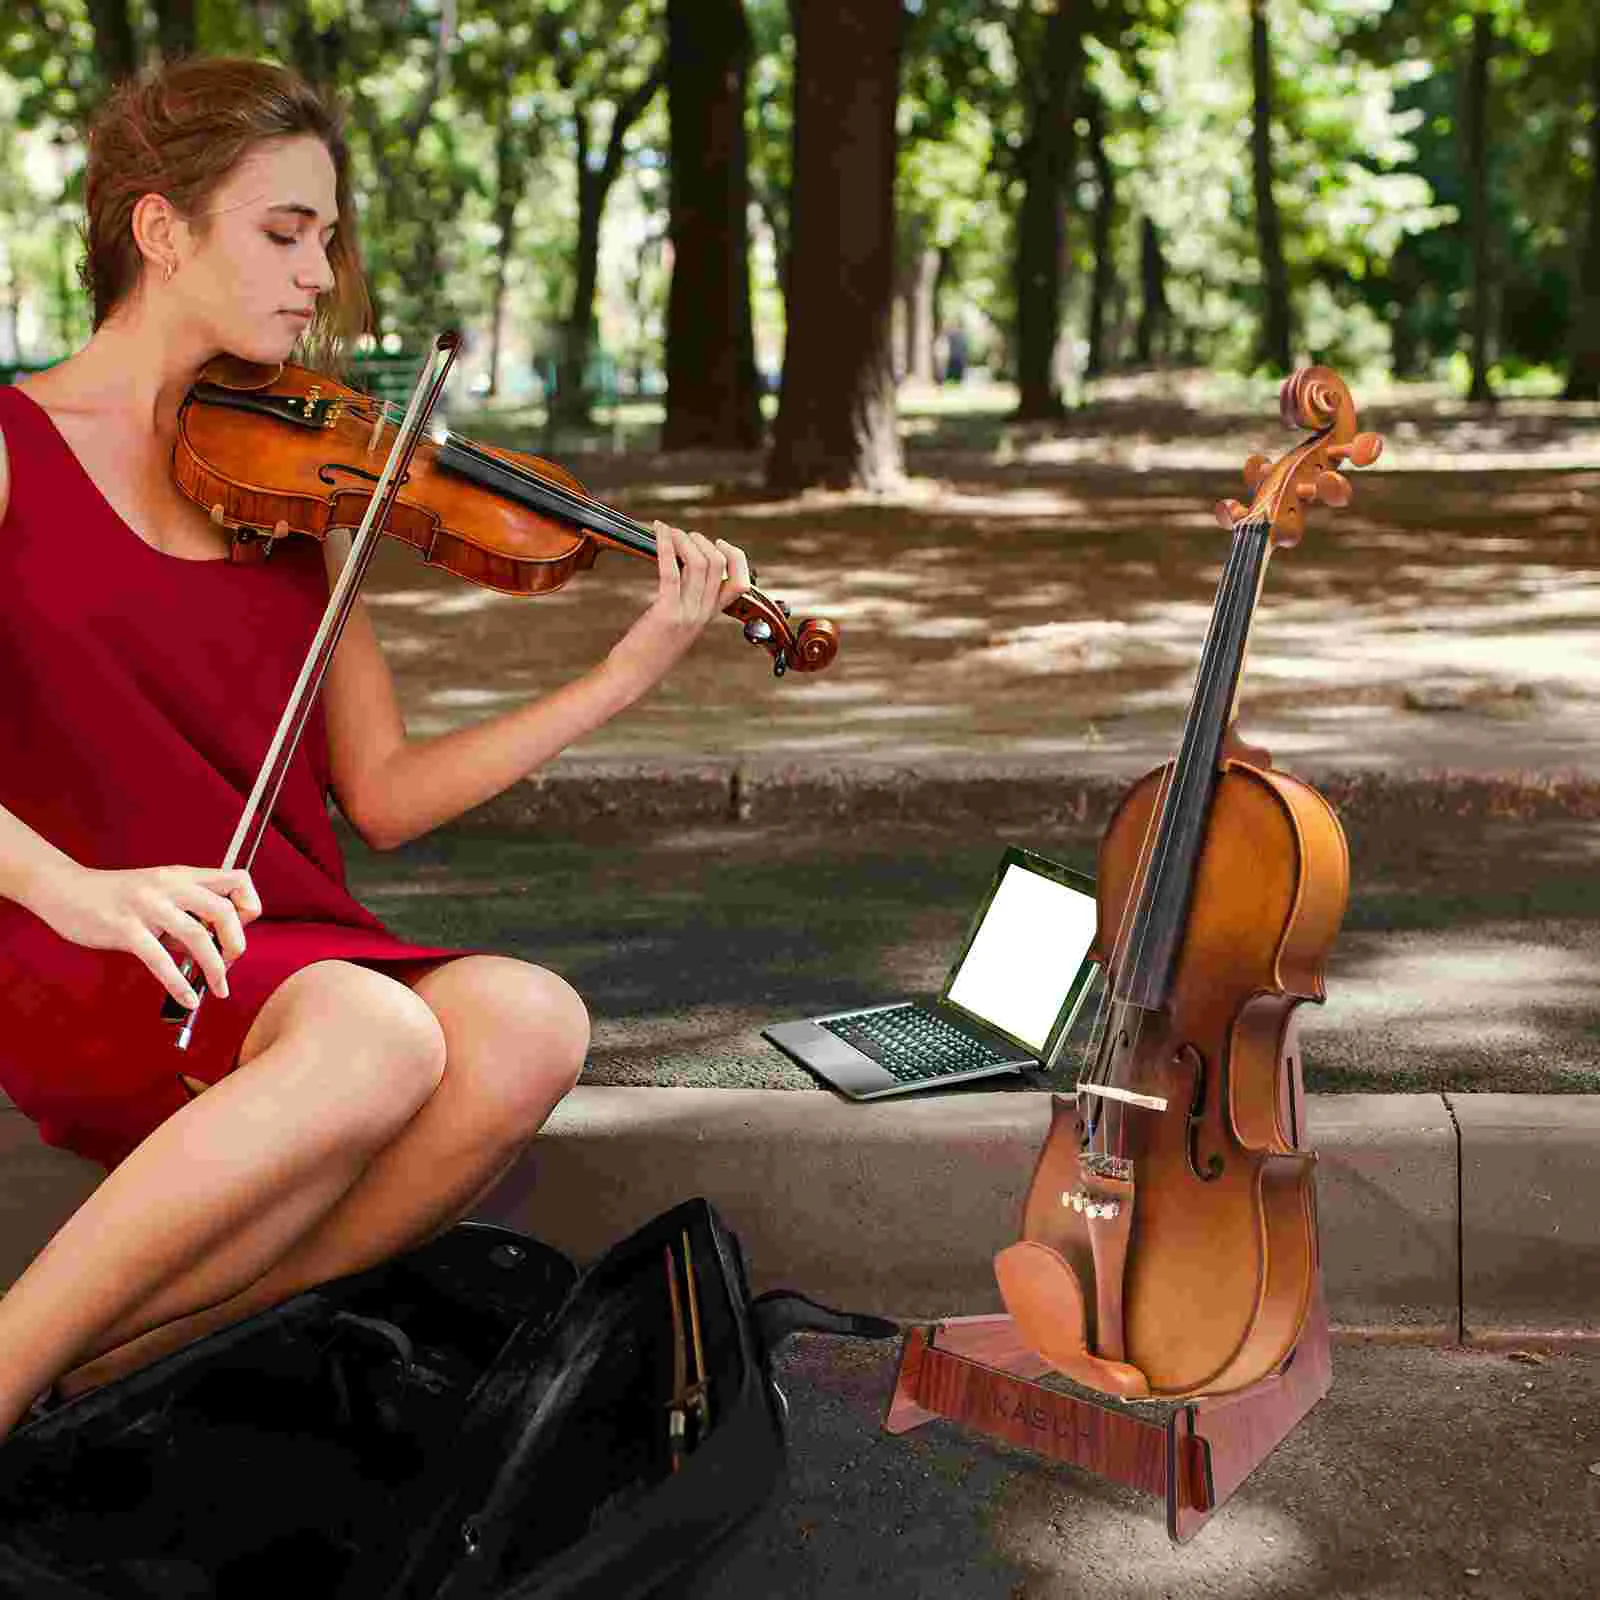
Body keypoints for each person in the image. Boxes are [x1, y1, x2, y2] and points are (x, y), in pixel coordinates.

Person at [0, 56, 752, 1443]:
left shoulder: (293, 489)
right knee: (380, 1032)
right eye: (283, 232)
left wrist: (619, 672)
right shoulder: (10, 446)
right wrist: (82, 892)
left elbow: (388, 797)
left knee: (531, 1019)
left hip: (279, 945)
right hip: (89, 945)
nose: (319, 275)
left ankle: (125, 1368)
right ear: (160, 232)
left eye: (328, 238)